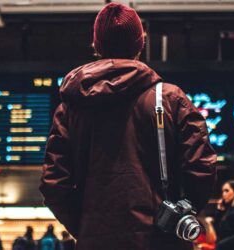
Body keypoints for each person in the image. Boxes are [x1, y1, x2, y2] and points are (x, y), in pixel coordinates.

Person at [39, 2, 216, 250]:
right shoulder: (170, 99)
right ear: (139, 44)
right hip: (160, 241)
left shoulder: (71, 108)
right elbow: (201, 167)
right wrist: (179, 214)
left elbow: (53, 183)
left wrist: (87, 228)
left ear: (97, 46)